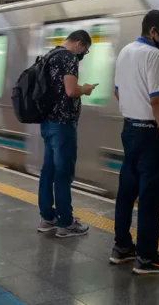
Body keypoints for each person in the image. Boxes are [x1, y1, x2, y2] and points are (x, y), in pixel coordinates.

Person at [110, 9, 159, 275]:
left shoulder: (125, 52)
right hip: (150, 134)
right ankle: (147, 258)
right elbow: (157, 101)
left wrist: (132, 110)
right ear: (153, 31)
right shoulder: (153, 55)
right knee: (150, 198)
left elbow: (117, 92)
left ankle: (122, 247)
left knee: (127, 192)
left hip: (129, 129)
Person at [36, 30, 96, 238]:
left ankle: (47, 217)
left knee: (48, 171)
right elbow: (71, 91)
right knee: (63, 173)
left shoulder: (49, 55)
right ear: (79, 43)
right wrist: (85, 89)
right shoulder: (69, 58)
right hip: (63, 125)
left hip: (47, 122)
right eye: (85, 50)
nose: (83, 54)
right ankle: (66, 223)